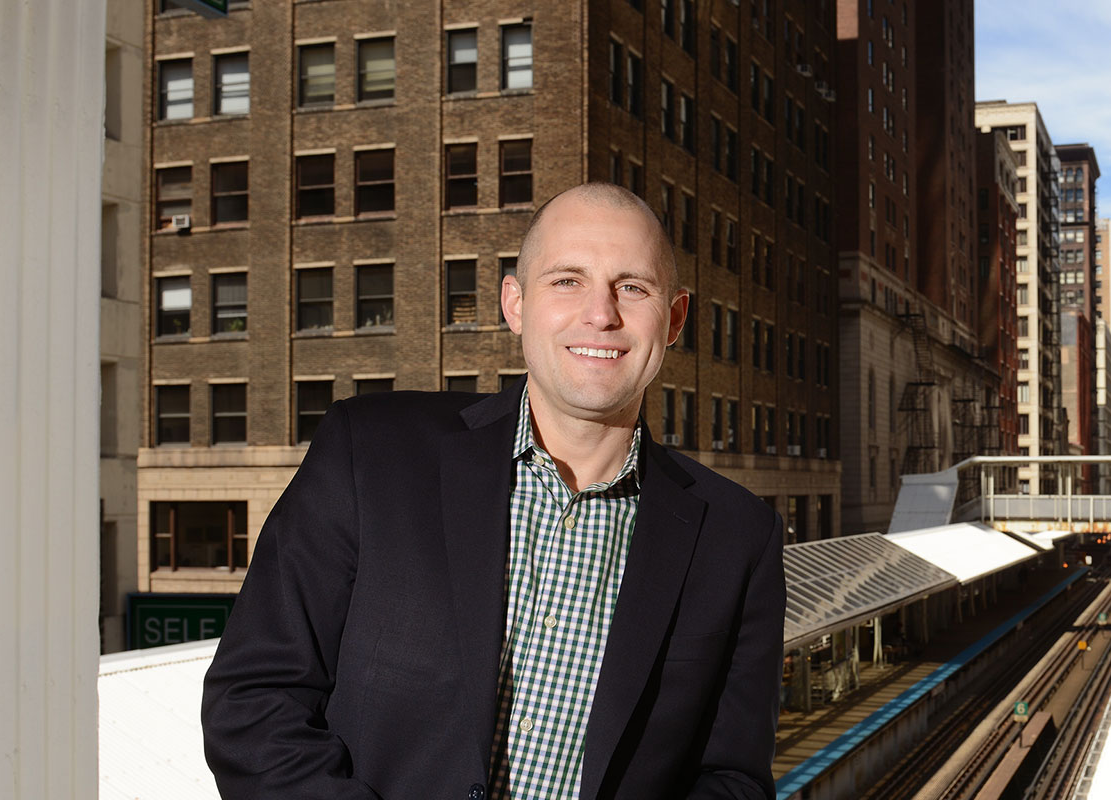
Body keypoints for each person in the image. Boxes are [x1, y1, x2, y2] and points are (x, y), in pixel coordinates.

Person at [202, 183, 785, 800]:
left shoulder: (738, 536)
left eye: (633, 287)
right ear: (515, 304)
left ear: (674, 319)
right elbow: (255, 698)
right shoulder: (371, 452)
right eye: (567, 280)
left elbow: (732, 779)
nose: (601, 314)